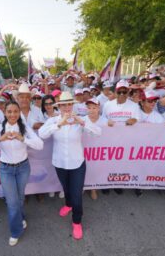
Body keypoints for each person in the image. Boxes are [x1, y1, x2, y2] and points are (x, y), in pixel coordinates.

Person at [0, 101, 43, 246]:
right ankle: (15, 231)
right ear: (5, 113)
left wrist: (23, 138)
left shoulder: (24, 128)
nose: (12, 114)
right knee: (12, 202)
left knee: (19, 198)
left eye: (15, 111)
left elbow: (40, 145)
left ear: (19, 113)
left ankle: (21, 217)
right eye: (9, 111)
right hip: (6, 169)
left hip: (23, 168)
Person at [39, 91, 101, 240]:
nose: (66, 108)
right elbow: (42, 134)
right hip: (60, 163)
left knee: (76, 194)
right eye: (63, 105)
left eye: (69, 104)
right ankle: (68, 204)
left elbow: (97, 133)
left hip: (77, 163)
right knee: (66, 188)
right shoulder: (53, 120)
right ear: (59, 107)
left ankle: (77, 221)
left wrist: (82, 122)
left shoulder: (81, 119)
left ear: (72, 105)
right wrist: (59, 124)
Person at [83, 97, 107, 200]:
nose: (91, 110)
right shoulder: (82, 120)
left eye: (94, 107)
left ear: (98, 108)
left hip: (99, 151)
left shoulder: (105, 121)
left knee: (96, 169)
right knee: (84, 169)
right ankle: (83, 186)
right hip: (84, 150)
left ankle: (93, 188)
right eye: (89, 108)